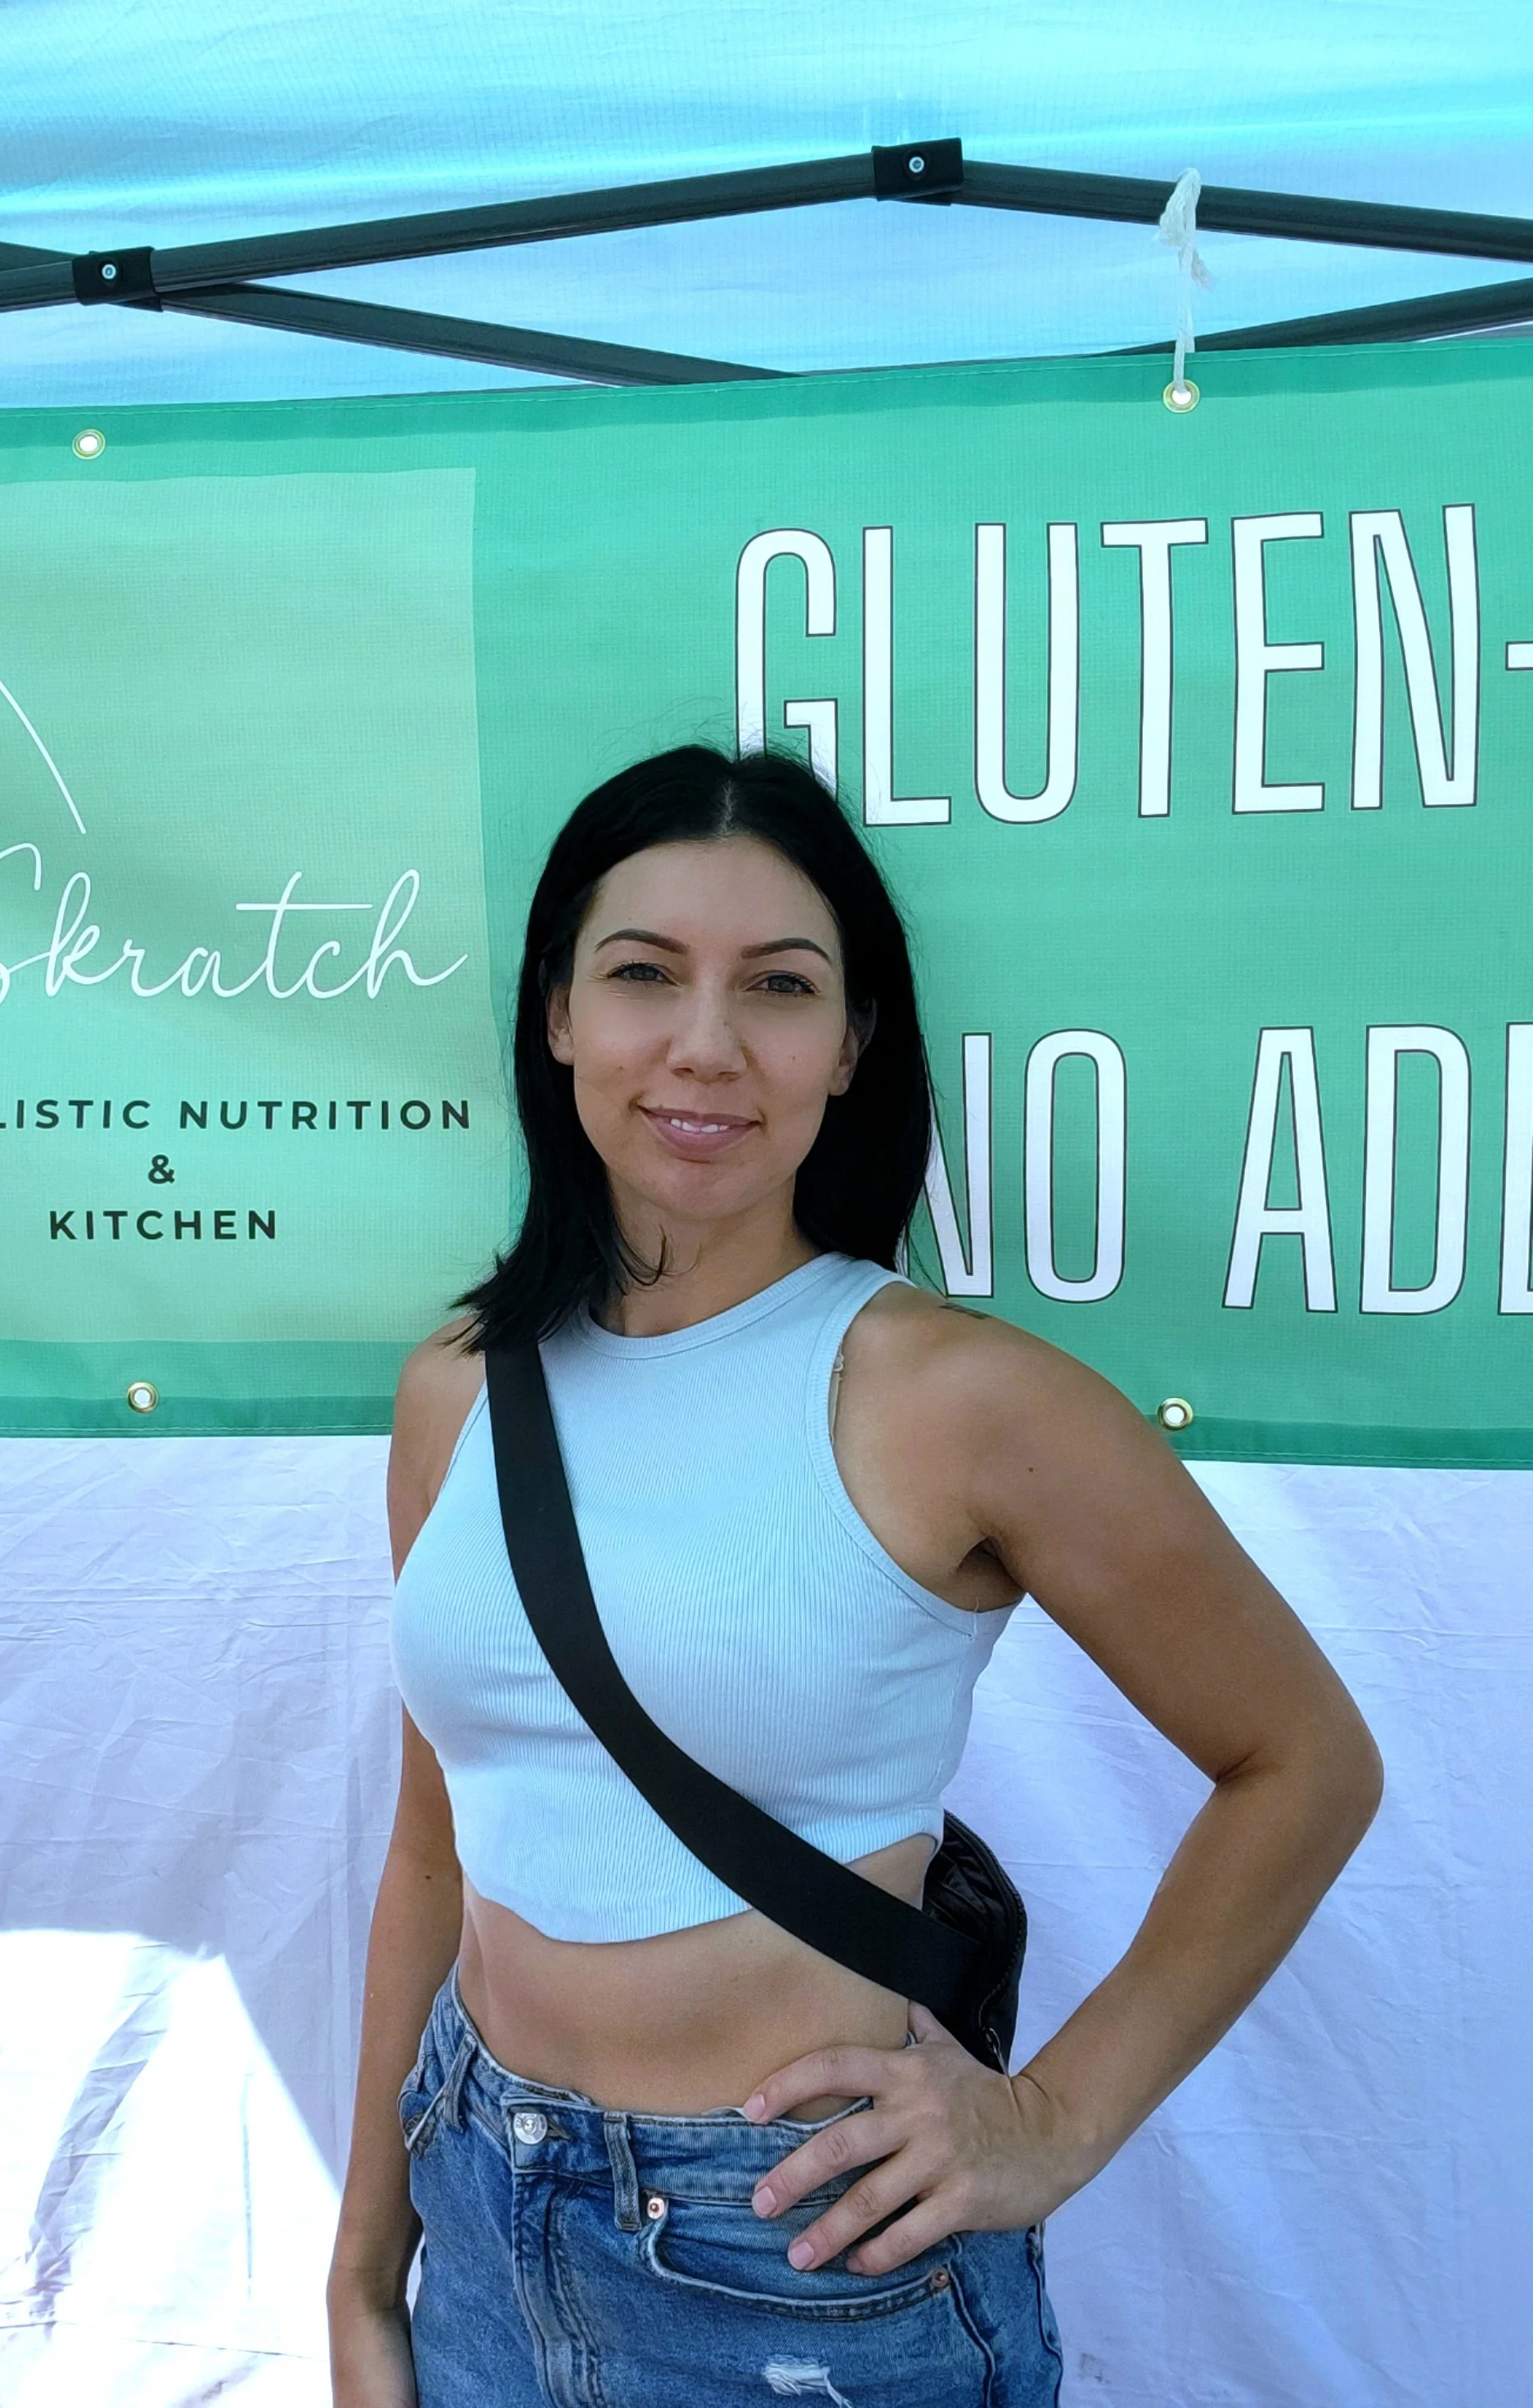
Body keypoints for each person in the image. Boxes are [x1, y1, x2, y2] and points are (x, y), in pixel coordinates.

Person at [327, 744, 1382, 2406]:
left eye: (779, 985)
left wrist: (1052, 2117)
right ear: (556, 1015)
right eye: (644, 974)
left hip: (800, 2271)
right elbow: (433, 1844)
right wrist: (363, 2273)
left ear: (851, 1043)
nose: (706, 1044)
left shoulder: (962, 1399)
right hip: (479, 2198)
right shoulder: (458, 1387)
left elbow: (1306, 1763)